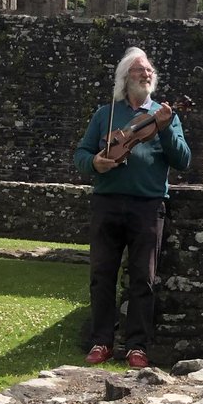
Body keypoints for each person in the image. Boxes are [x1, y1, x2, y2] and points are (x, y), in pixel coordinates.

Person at [74, 47, 191, 368]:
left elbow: (183, 159)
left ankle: (137, 346)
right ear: (126, 78)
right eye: (140, 70)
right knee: (101, 275)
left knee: (144, 277)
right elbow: (81, 155)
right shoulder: (105, 115)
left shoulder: (166, 114)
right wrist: (96, 163)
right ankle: (101, 342)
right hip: (106, 203)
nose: (147, 74)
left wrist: (166, 128)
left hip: (148, 205)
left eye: (150, 70)